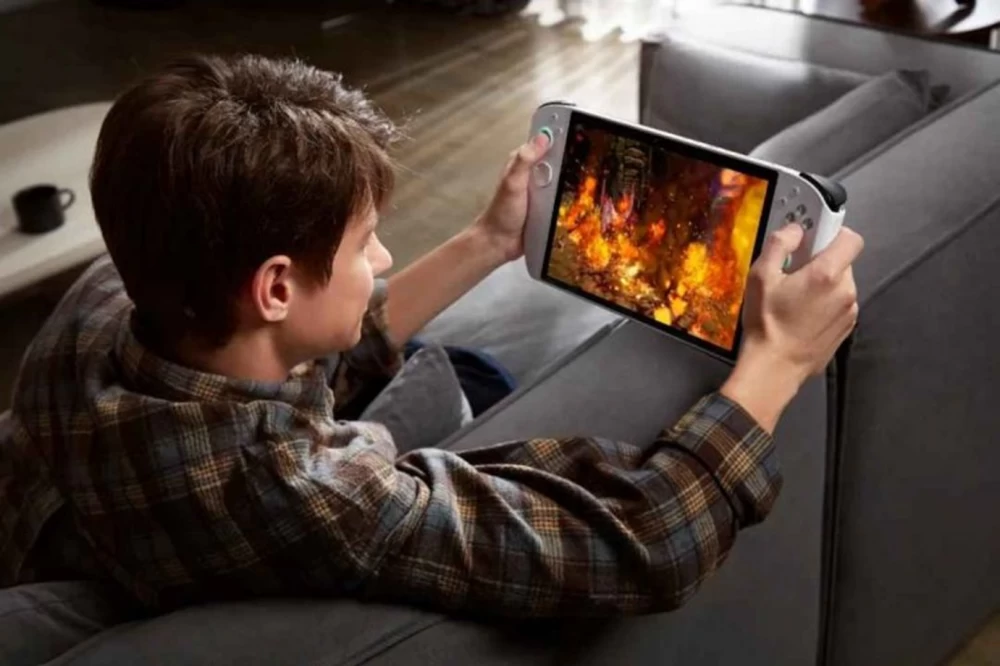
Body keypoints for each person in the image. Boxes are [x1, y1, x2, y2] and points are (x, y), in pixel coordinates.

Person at [0, 54, 863, 615]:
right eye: (365, 239)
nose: (382, 257)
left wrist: (489, 242)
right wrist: (779, 362)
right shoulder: (310, 496)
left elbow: (292, 348)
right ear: (273, 286)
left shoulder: (106, 299)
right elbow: (645, 543)